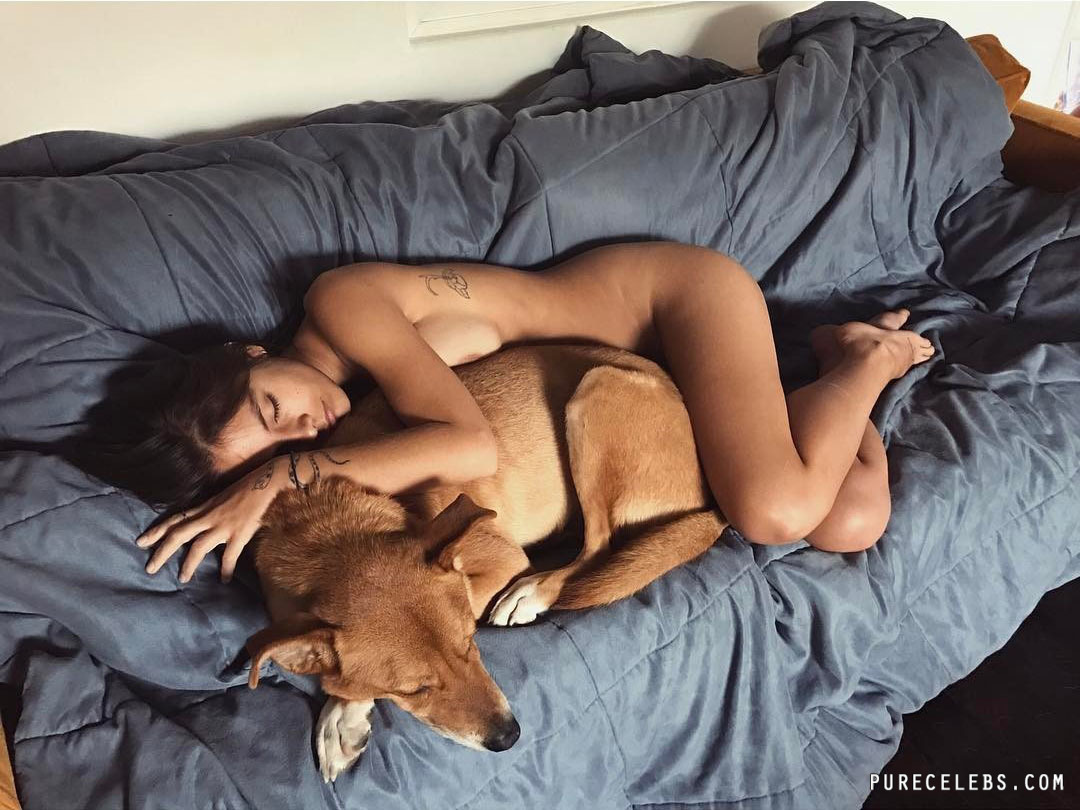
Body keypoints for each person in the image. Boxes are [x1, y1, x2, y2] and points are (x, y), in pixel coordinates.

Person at [113, 240, 933, 584]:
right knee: (850, 519)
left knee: (775, 510)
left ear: (251, 353)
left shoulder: (341, 305)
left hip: (671, 309)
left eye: (272, 406)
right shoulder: (357, 424)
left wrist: (281, 474)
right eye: (269, 450)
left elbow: (470, 447)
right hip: (660, 394)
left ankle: (872, 359)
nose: (306, 432)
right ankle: (823, 376)